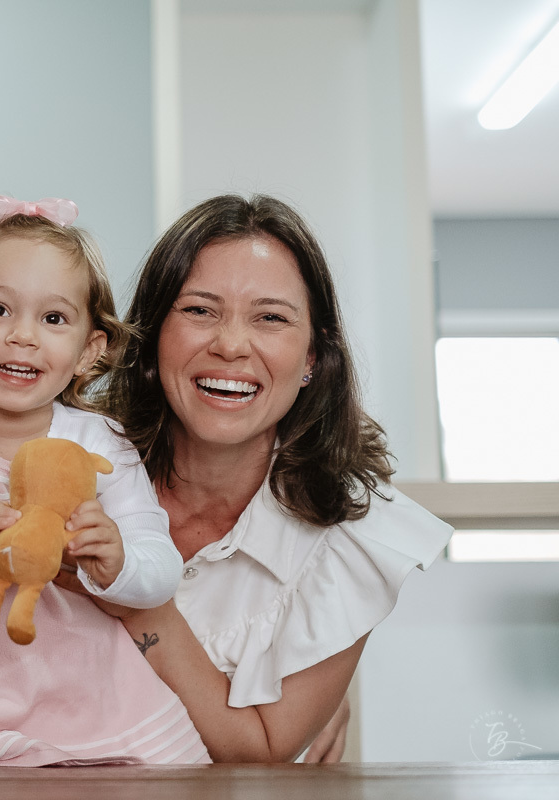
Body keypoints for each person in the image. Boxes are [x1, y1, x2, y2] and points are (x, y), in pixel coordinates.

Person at [54, 193, 453, 762]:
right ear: (152, 337)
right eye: (199, 310)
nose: (231, 345)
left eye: (270, 318)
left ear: (312, 356)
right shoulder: (68, 466)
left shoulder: (355, 541)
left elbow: (261, 753)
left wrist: (139, 601)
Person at [0, 198, 210, 766]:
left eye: (53, 319)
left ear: (88, 350)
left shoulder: (103, 445)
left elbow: (161, 570)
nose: (23, 336)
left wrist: (117, 562)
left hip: (108, 715)